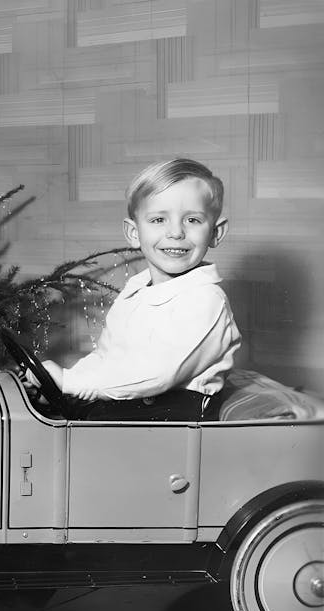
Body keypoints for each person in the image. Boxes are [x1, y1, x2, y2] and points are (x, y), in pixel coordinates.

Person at [32, 158, 242, 421]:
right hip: (131, 407)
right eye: (158, 220)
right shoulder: (136, 291)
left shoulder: (205, 299)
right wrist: (66, 387)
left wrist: (69, 381)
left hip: (172, 419)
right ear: (133, 232)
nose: (176, 232)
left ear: (215, 232)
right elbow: (106, 357)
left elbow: (158, 373)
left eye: (192, 219)